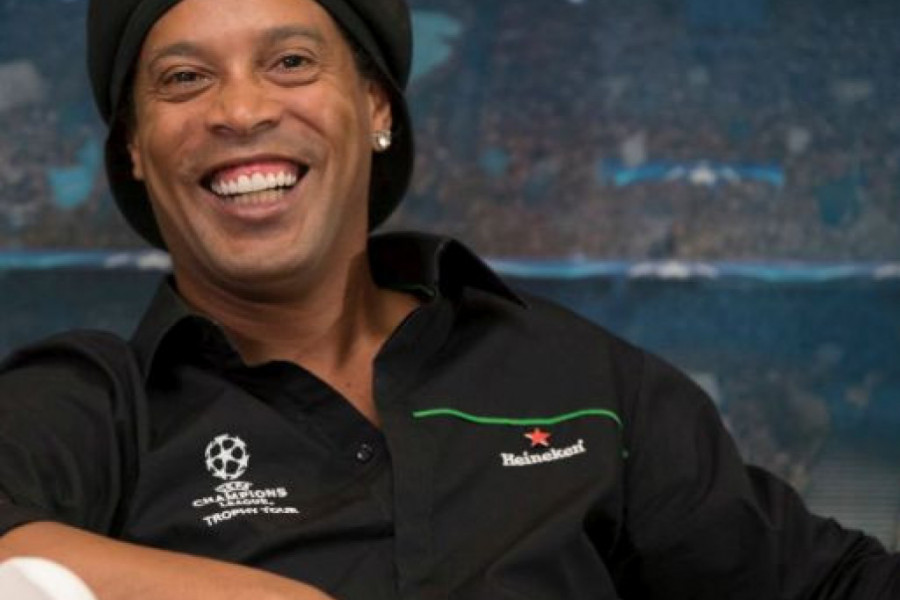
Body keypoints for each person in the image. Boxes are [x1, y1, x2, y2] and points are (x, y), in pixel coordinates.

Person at [0, 0, 897, 598]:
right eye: (184, 78)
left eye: (292, 60)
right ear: (134, 149)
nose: (240, 110)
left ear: (377, 107)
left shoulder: (577, 376)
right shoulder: (86, 407)